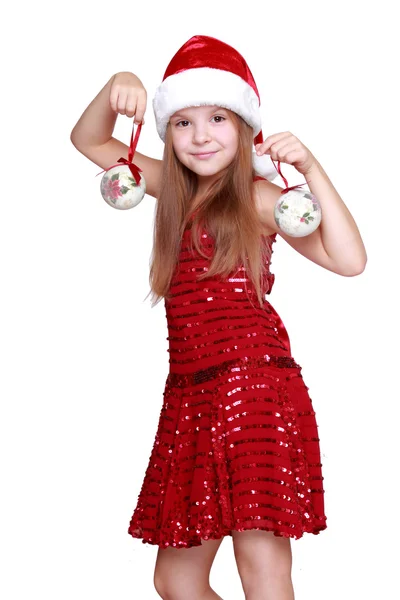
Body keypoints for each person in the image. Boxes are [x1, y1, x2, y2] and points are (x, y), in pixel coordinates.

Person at [71, 34, 367, 600]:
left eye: (216, 119)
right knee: (177, 579)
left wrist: (311, 166)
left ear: (245, 126)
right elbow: (87, 139)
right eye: (182, 122)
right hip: (188, 397)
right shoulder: (175, 194)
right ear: (167, 131)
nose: (200, 136)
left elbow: (350, 260)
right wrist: (116, 87)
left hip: (253, 387)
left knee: (261, 570)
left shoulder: (259, 197)